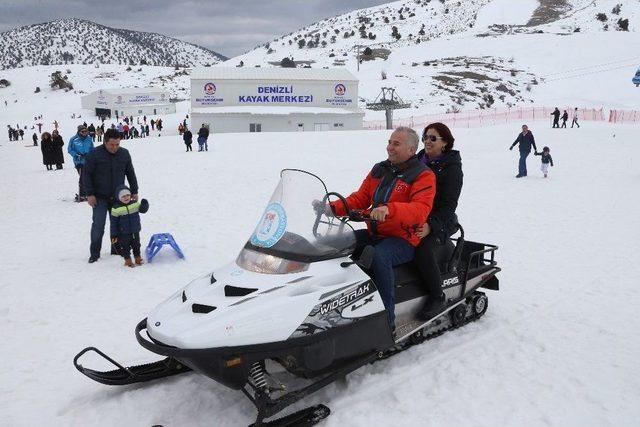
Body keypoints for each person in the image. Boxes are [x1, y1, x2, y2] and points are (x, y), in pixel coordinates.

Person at [326, 127, 436, 328]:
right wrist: (332, 208)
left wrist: (389, 209)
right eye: (389, 142)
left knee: (379, 256)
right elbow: (360, 198)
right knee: (333, 243)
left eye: (396, 144)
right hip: (374, 232)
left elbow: (420, 210)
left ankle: (386, 320)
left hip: (403, 239)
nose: (390, 148)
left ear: (412, 150)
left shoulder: (423, 175)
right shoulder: (380, 169)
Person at [410, 123, 463, 319]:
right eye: (425, 137)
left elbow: (449, 205)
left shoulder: (452, 169)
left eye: (433, 138)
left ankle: (437, 295)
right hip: (415, 216)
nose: (427, 141)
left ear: (445, 143)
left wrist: (431, 226)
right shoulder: (415, 161)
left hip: (441, 220)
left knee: (422, 249)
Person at [83, 128, 139, 263]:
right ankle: (95, 254)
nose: (115, 147)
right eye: (112, 145)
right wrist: (89, 194)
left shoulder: (124, 154)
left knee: (120, 225)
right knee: (98, 225)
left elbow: (130, 173)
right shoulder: (94, 154)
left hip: (118, 197)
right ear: (105, 142)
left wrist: (134, 190)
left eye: (117, 144)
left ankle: (117, 249)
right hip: (99, 197)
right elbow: (86, 175)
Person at [110, 185, 149, 267]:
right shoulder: (115, 208)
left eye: (127, 195)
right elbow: (113, 223)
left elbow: (142, 210)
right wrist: (114, 234)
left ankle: (138, 258)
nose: (126, 197)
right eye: (123, 196)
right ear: (118, 197)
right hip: (123, 232)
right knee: (125, 247)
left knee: (136, 245)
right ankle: (128, 261)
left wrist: (145, 205)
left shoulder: (134, 204)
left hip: (135, 230)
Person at [67, 125, 94, 201]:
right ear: (79, 132)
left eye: (86, 131)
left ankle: (88, 193)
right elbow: (70, 149)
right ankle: (82, 194)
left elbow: (92, 148)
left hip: (88, 161)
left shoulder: (89, 139)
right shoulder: (73, 139)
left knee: (88, 177)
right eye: (83, 131)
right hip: (79, 161)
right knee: (83, 177)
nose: (85, 133)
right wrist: (76, 155)